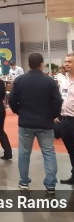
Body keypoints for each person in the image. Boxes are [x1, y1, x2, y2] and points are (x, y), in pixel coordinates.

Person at [9, 53, 63, 194]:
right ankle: (51, 184)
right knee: (49, 153)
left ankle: (24, 181)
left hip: (26, 122)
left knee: (24, 153)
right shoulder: (50, 81)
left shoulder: (20, 80)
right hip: (45, 123)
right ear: (41, 64)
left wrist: (20, 112)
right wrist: (52, 115)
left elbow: (12, 100)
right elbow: (57, 101)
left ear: (28, 64)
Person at [57, 53, 74, 184]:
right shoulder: (64, 80)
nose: (66, 64)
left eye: (69, 62)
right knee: (71, 150)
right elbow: (62, 98)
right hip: (65, 121)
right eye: (65, 61)